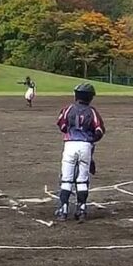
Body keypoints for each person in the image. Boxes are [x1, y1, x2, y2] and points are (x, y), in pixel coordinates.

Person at [55, 83, 106, 222]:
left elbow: (62, 125)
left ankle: (63, 210)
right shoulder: (92, 111)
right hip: (85, 146)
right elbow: (99, 131)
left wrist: (72, 132)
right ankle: (82, 209)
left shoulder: (68, 109)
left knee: (66, 178)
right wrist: (90, 140)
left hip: (70, 145)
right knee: (82, 179)